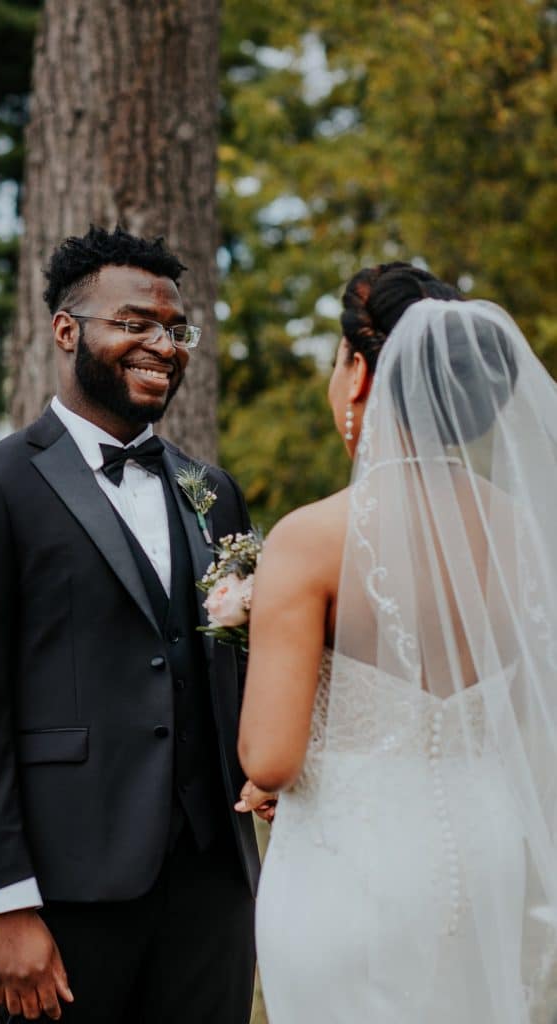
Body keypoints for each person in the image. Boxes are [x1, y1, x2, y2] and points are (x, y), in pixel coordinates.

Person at [0, 225, 264, 1024]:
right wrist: (3, 904)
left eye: (175, 329)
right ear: (66, 330)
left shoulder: (212, 491)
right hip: (64, 888)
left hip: (212, 886)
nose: (162, 346)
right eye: (133, 323)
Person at [238, 262, 557, 1022]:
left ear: (358, 374)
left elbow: (271, 758)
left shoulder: (311, 538)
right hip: (488, 850)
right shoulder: (520, 530)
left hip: (357, 861)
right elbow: (519, 711)